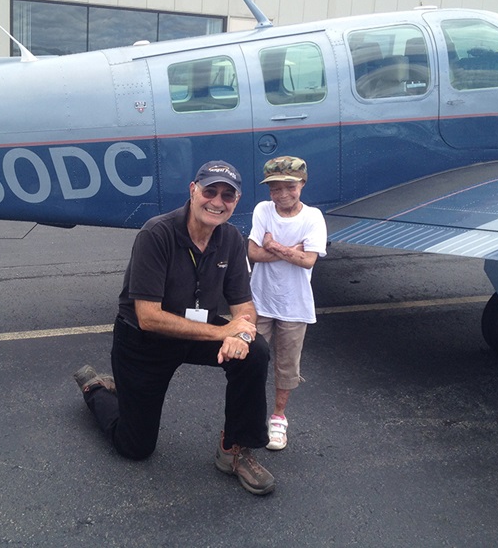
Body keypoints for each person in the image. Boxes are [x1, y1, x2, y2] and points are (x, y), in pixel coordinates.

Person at [73, 160, 275, 496]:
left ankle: (234, 450)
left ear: (236, 201)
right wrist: (223, 332)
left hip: (196, 330)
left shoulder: (231, 240)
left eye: (228, 195)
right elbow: (148, 317)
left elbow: (244, 308)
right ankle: (96, 389)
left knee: (255, 352)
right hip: (144, 341)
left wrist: (240, 334)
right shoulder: (157, 233)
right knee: (135, 447)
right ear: (193, 191)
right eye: (210, 190)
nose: (217, 201)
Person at [247, 156, 327, 451]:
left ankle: (278, 418)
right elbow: (252, 253)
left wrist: (274, 245)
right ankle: (250, 413)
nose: (281, 194)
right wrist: (290, 251)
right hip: (261, 299)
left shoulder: (313, 217)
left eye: (289, 187)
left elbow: (308, 259)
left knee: (287, 364)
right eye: (275, 188)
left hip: (295, 305)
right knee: (251, 359)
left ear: (302, 184)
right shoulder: (263, 210)